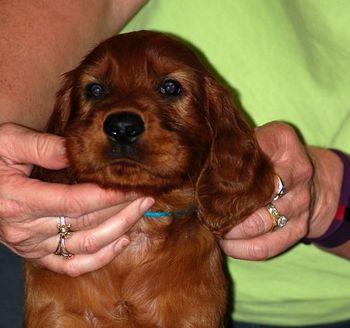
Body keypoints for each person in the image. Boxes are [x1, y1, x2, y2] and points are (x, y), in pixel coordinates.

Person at [1, 0, 349, 327]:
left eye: (170, 89)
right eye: (95, 92)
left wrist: (333, 194)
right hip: (55, 246)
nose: (123, 120)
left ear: (215, 125)